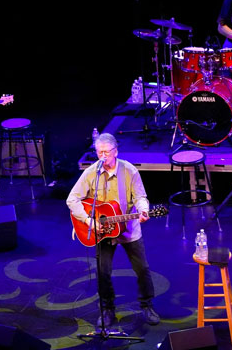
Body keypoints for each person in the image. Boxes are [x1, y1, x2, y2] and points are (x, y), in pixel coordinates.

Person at [66, 133, 160, 327]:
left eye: (106, 152)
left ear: (116, 151)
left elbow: (140, 197)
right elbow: (72, 199)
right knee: (103, 271)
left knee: (142, 268)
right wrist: (88, 221)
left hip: (129, 228)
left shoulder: (129, 171)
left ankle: (147, 305)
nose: (103, 156)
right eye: (99, 152)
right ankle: (108, 309)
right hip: (103, 231)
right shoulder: (92, 172)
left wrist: (143, 210)